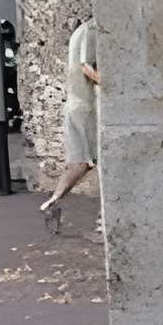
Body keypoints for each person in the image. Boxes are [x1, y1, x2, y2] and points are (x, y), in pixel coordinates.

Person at [40, 14, 99, 231]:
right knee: (89, 160)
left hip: (77, 104)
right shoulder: (92, 30)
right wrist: (113, 85)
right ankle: (55, 202)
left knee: (80, 162)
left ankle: (53, 202)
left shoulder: (82, 30)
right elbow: (87, 67)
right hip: (87, 106)